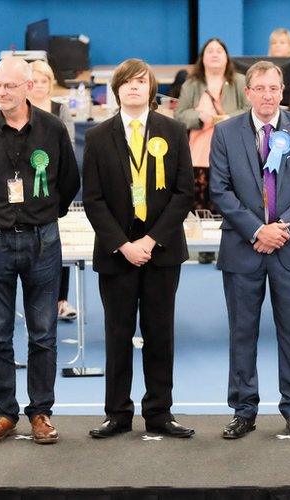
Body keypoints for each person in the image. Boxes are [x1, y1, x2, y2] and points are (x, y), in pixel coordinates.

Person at [0, 57, 80, 445]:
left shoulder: (54, 129)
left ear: (29, 87)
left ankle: (40, 412)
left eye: (9, 86)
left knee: (43, 333)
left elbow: (69, 182)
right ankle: (5, 412)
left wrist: (41, 215)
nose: (1, 92)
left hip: (43, 241)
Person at [209, 61, 290, 439]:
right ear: (248, 92)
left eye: (274, 88)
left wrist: (283, 228)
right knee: (242, 332)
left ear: (283, 91)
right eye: (259, 88)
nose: (267, 96)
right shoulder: (226, 132)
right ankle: (243, 410)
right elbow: (220, 190)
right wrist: (257, 229)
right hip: (244, 248)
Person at [82, 59, 196, 439]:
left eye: (141, 82)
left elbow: (184, 193)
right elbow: (94, 200)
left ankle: (159, 412)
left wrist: (150, 240)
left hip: (161, 251)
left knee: (160, 333)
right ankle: (117, 413)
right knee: (117, 334)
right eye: (126, 82)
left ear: (151, 90)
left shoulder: (174, 131)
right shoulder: (98, 137)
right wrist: (123, 244)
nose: (133, 87)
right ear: (116, 90)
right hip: (117, 254)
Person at [174, 38, 250, 264]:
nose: (215, 54)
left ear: (227, 56)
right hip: (199, 149)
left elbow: (249, 109)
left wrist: (228, 119)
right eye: (210, 51)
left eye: (219, 51)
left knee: (228, 198)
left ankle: (227, 244)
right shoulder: (191, 84)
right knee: (200, 198)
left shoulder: (239, 81)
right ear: (202, 58)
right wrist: (198, 116)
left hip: (231, 149)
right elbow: (179, 115)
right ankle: (205, 248)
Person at [29, 59, 78, 321]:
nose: (39, 86)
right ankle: (35, 300)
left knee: (61, 243)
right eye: (34, 81)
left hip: (55, 187)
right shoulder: (20, 110)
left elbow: (67, 147)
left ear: (51, 84)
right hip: (26, 190)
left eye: (44, 81)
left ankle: (62, 300)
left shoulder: (61, 110)